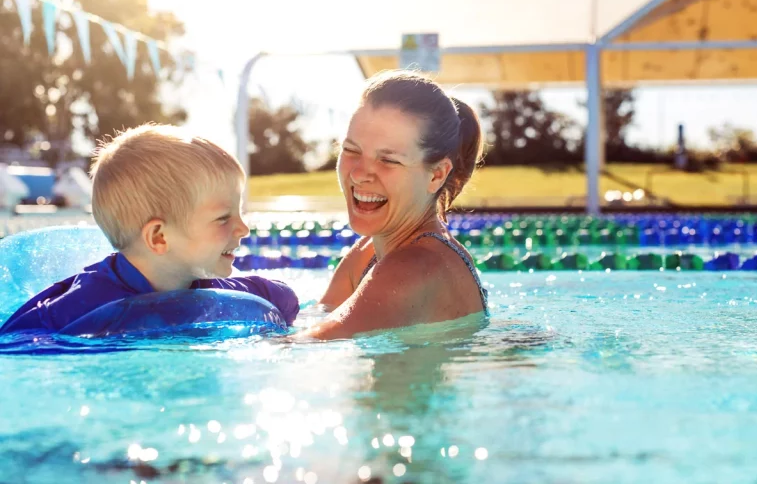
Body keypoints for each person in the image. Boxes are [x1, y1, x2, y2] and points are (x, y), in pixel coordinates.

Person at [0, 124, 298, 334]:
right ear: (159, 237)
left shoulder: (205, 285)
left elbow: (282, 297)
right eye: (223, 218)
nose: (243, 228)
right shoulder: (80, 308)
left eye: (240, 212)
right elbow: (17, 345)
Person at [301, 70, 487, 339]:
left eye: (388, 160)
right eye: (351, 150)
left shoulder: (412, 268)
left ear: (436, 175)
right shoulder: (367, 252)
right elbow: (314, 320)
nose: (359, 174)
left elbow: (300, 347)